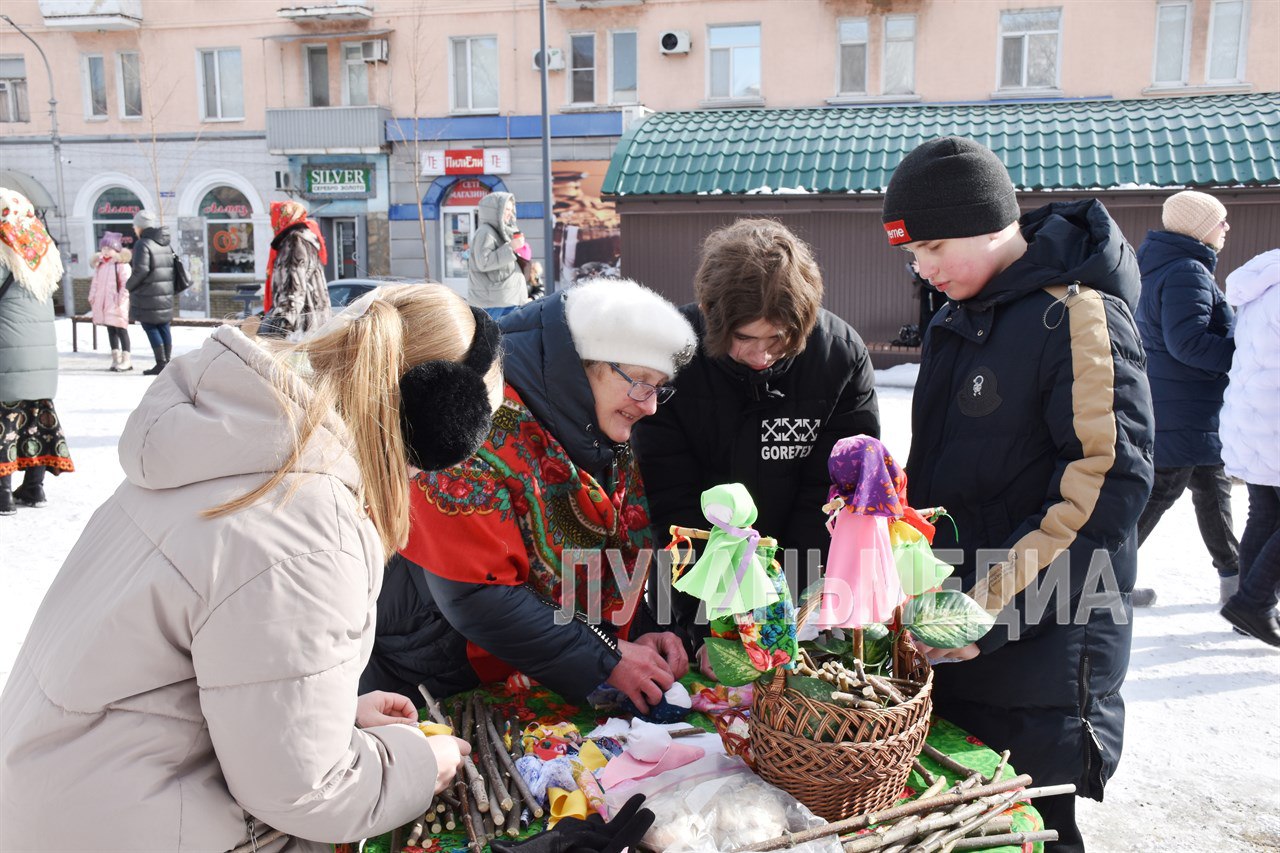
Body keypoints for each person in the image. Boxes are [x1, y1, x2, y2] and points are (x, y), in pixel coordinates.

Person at [0, 283, 499, 850]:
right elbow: (306, 791)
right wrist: (416, 763)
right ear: (433, 420)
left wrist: (324, 713)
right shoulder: (308, 525)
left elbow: (170, 675)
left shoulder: (225, 445)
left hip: (65, 801)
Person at [882, 137, 1154, 852]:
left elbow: (1104, 482)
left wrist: (985, 607)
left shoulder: (1077, 313)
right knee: (964, 828)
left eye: (935, 246)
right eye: (912, 255)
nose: (924, 267)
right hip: (965, 637)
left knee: (1035, 830)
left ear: (992, 222)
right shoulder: (957, 318)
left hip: (1045, 647)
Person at [362, 278, 696, 713]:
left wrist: (643, 629)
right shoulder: (477, 421)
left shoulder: (600, 431)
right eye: (641, 383)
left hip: (523, 670)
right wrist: (607, 658)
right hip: (423, 674)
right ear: (586, 366)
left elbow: (617, 543)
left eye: (659, 387)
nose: (651, 405)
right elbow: (476, 594)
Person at [632, 218, 880, 664]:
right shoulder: (671, 355)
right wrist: (717, 624)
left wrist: (773, 621)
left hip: (801, 587)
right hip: (695, 577)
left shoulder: (838, 356)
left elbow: (828, 503)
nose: (761, 355)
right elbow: (671, 501)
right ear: (712, 315)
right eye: (744, 339)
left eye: (778, 339)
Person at [1130, 190, 1239, 607]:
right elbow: (1188, 343)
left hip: (1183, 406)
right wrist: (1243, 354)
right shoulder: (1186, 271)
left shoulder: (1167, 266)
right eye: (1221, 219)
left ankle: (1240, 588)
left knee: (1212, 491)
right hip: (1183, 408)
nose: (1226, 227)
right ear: (1198, 226)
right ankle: (1098, 583)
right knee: (1159, 496)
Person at [0, 188, 75, 515]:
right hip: (40, 358)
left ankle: (2, 495)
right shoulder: (41, 248)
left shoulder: (3, 248)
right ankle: (34, 488)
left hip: (8, 354)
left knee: (4, 420)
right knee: (34, 419)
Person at [1218, 249, 1280, 645]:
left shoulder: (1264, 280)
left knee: (1266, 511)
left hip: (1255, 415)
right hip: (1272, 416)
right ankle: (1253, 603)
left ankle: (1251, 608)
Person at [260, 200, 332, 338]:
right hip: (312, 326)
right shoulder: (305, 240)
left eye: (273, 216)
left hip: (298, 330)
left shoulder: (293, 243)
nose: (272, 222)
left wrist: (278, 329)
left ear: (283, 217)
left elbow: (293, 289)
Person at [124, 209, 176, 375]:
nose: (134, 229)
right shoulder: (165, 242)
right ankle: (167, 361)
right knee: (163, 326)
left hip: (149, 294)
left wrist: (128, 285)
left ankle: (161, 362)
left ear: (141, 227)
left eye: (135, 226)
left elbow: (141, 271)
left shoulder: (143, 244)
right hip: (165, 292)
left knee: (151, 326)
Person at [467, 192, 529, 318]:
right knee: (496, 336)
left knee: (506, 335)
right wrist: (511, 247)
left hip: (505, 299)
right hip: (495, 302)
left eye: (511, 210)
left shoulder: (499, 231)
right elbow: (483, 262)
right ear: (495, 211)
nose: (509, 214)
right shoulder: (485, 232)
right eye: (506, 209)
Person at [88, 230, 133, 372]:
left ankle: (126, 359)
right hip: (104, 303)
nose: (105, 251)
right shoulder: (101, 265)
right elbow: (95, 283)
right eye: (103, 248)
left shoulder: (121, 265)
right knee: (111, 330)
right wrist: (93, 297)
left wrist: (120, 300)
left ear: (115, 249)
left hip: (117, 303)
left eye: (108, 248)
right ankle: (115, 358)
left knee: (121, 329)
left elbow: (125, 284)